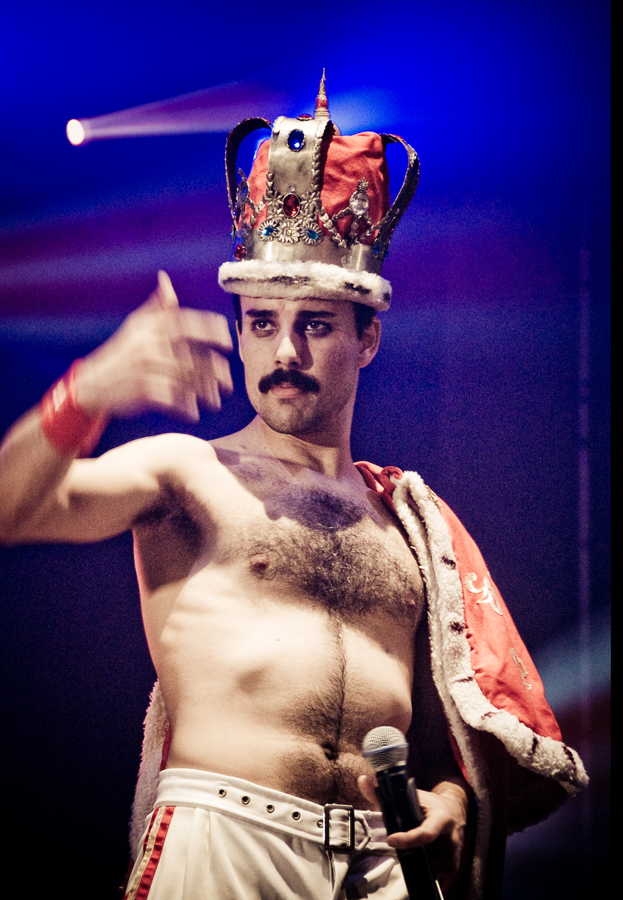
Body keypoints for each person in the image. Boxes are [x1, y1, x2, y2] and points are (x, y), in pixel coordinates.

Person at [0, 79, 586, 900]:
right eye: (263, 324)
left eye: (314, 325)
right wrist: (87, 391)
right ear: (239, 333)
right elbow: (9, 509)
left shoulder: (406, 521)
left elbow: (455, 721)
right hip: (228, 837)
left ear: (367, 338)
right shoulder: (185, 472)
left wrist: (452, 794)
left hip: (383, 860)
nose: (285, 353)